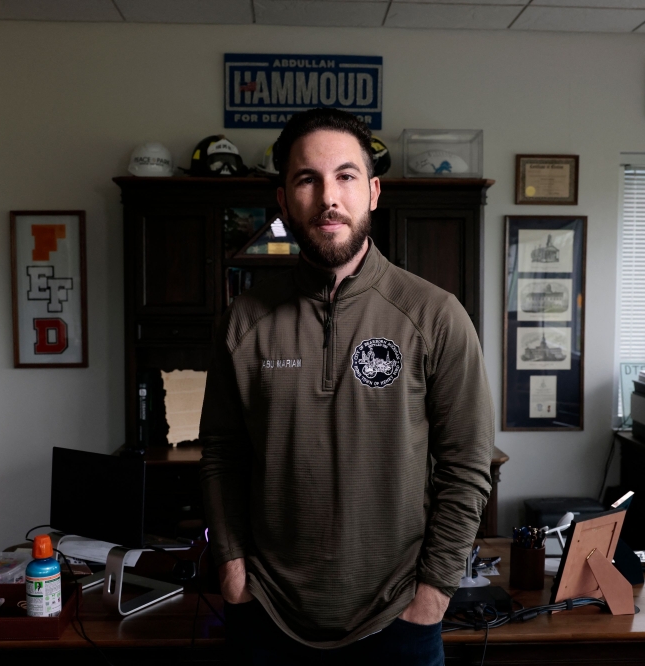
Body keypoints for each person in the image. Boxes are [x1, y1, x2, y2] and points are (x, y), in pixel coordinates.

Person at [199, 108, 494, 664]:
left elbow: (467, 467)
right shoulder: (244, 321)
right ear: (283, 201)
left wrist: (433, 593)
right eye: (307, 179)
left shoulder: (435, 316)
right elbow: (221, 454)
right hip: (267, 620)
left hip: (397, 622)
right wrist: (232, 568)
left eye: (346, 176)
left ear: (373, 191)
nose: (328, 196)